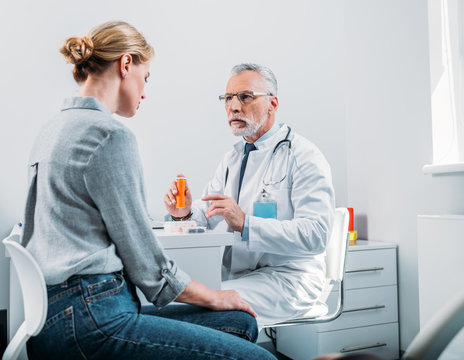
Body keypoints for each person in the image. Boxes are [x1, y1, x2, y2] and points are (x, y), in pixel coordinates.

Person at [21, 22, 276, 360]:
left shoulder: (51, 129)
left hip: (47, 322)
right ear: (126, 65)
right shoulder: (109, 135)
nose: (144, 92)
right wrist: (215, 296)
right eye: (146, 78)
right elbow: (148, 268)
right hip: (94, 318)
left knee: (239, 323)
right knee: (260, 357)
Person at [164, 63, 335, 327]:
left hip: (288, 279)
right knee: (177, 302)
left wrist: (245, 223)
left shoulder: (303, 156)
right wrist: (184, 212)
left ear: (272, 104)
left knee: (198, 313)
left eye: (245, 97)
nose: (233, 106)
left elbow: (316, 235)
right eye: (228, 98)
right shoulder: (233, 157)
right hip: (242, 276)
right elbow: (209, 210)